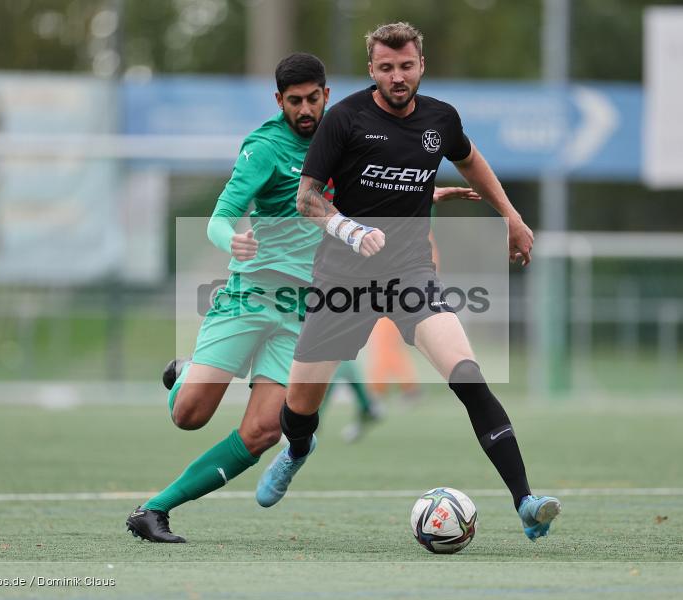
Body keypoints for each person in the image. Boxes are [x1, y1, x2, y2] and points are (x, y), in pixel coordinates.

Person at [126, 52, 476, 543]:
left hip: (308, 310)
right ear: (279, 101)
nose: (306, 109)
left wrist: (425, 194)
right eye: (295, 101)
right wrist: (234, 240)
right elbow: (219, 218)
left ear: (327, 95)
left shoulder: (349, 134)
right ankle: (185, 375)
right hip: (252, 295)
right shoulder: (265, 147)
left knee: (265, 431)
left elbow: (376, 188)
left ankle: (155, 509)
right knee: (190, 416)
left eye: (314, 98)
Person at [255, 23, 562, 541]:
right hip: (341, 280)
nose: (397, 77)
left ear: (421, 65)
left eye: (406, 66)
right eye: (386, 67)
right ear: (372, 69)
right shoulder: (344, 119)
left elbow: (470, 160)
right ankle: (299, 449)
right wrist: (350, 230)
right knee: (300, 406)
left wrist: (509, 215)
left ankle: (526, 502)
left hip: (410, 276)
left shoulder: (442, 119)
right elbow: (308, 198)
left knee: (468, 376)